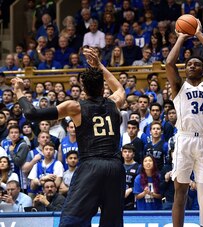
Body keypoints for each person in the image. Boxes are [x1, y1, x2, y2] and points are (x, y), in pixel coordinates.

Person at [11, 47, 126, 226]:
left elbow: (32, 113)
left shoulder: (76, 107)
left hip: (92, 167)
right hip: (116, 168)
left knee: (70, 221)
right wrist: (100, 65)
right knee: (112, 222)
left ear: (83, 89)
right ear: (102, 86)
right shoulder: (114, 102)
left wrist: (19, 91)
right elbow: (119, 87)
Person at [165, 19, 203, 227]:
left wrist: (199, 35)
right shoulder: (179, 86)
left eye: (196, 64)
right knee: (180, 192)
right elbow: (169, 64)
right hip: (184, 139)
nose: (191, 66)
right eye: (189, 64)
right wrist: (181, 37)